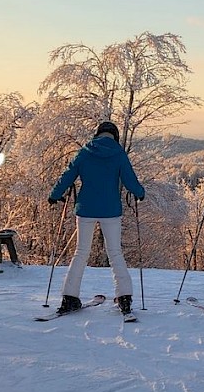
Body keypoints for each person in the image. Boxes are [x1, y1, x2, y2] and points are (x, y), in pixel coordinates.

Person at [48, 121, 145, 318]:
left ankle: (69, 297)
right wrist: (139, 193)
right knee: (115, 253)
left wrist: (54, 194)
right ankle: (124, 297)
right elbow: (130, 180)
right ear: (115, 136)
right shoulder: (118, 154)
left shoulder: (85, 152)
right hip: (111, 210)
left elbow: (67, 175)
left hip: (86, 209)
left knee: (81, 252)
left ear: (97, 134)